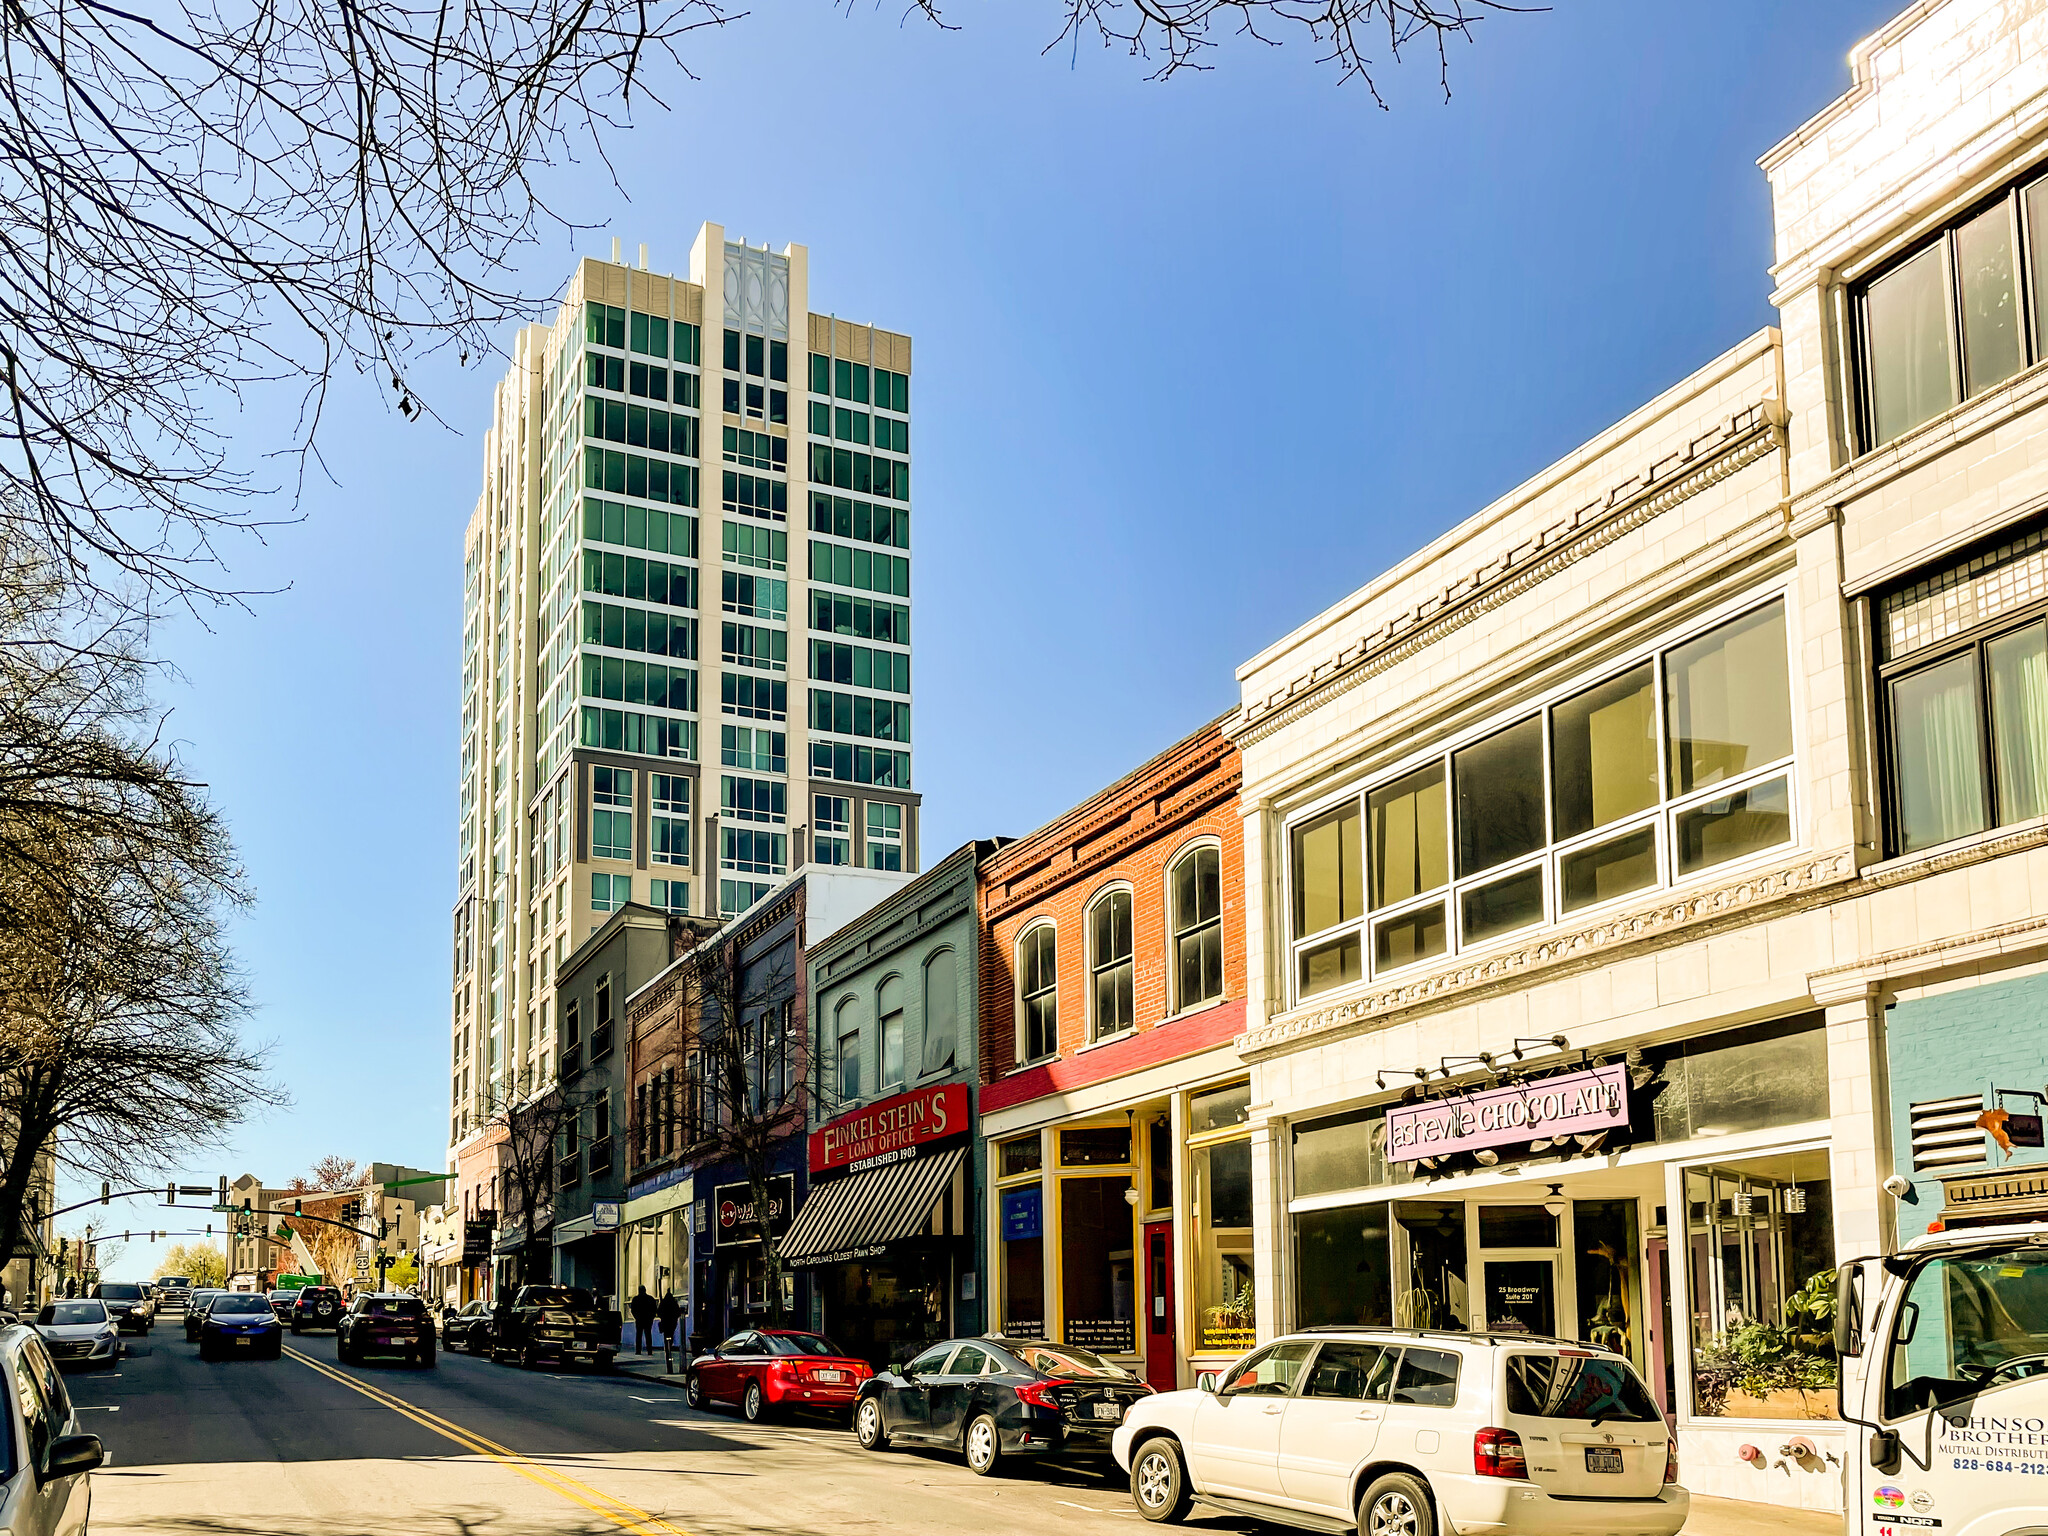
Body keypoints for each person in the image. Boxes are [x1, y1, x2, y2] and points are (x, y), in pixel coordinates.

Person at [629, 1285, 656, 1354]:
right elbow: (654, 1309)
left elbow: (633, 1310)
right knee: (648, 1335)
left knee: (639, 1335)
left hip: (639, 1319)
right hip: (648, 1320)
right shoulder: (650, 1299)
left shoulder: (635, 1299)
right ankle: (649, 1351)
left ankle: (638, 1351)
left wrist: (636, 1317)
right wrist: (651, 1317)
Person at [656, 1289, 681, 1363]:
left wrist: (662, 1317)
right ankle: (670, 1344)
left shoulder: (663, 1302)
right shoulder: (674, 1303)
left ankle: (667, 1347)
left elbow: (659, 1312)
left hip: (665, 1322)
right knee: (671, 1334)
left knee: (666, 1335)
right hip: (672, 1322)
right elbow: (678, 1312)